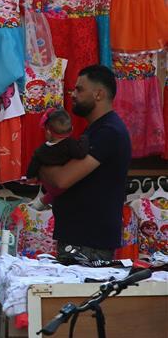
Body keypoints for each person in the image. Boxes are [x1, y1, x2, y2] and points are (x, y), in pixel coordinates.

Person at [40, 65, 131, 261]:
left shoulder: (108, 132)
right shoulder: (96, 130)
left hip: (88, 243)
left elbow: (62, 179)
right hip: (82, 240)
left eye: (79, 89)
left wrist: (41, 160)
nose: (72, 94)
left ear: (99, 94)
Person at [26, 107, 89, 207]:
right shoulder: (71, 144)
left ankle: (41, 203)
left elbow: (32, 167)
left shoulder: (40, 151)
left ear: (48, 132)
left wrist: (31, 177)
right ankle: (43, 202)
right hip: (69, 186)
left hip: (51, 186)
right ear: (71, 129)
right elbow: (81, 153)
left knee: (54, 195)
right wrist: (84, 139)